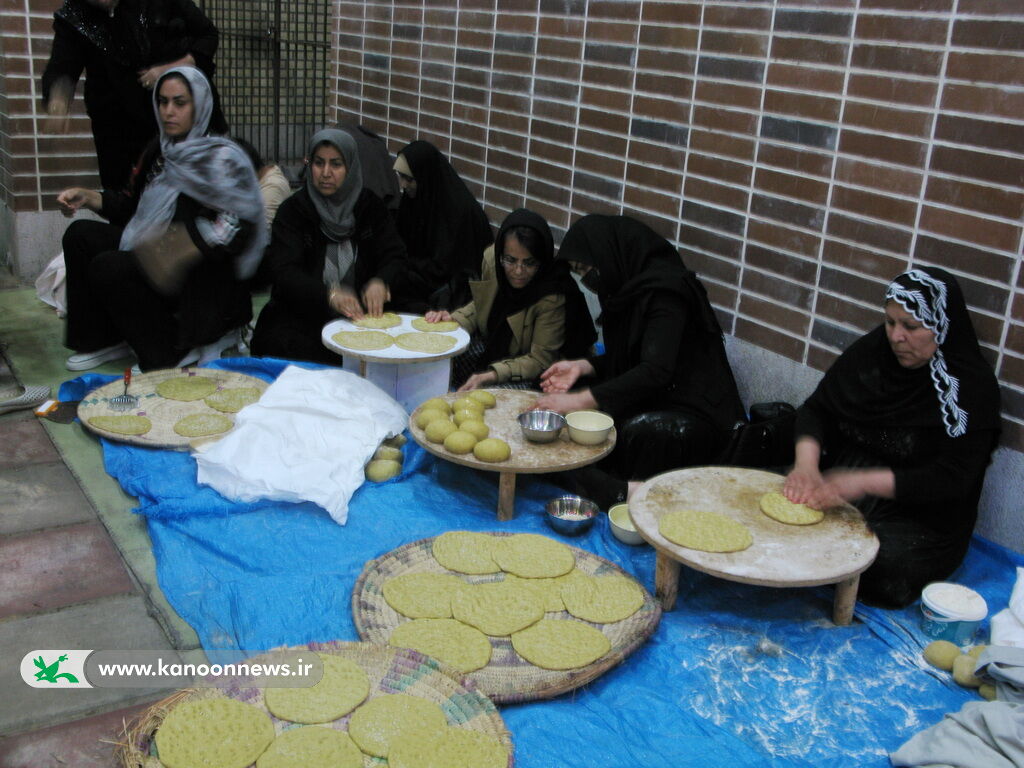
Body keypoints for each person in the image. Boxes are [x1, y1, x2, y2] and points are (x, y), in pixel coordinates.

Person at [783, 267, 1000, 609]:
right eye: (890, 322)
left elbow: (953, 479)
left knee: (884, 569)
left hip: (923, 517)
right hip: (851, 479)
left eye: (911, 327)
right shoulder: (874, 352)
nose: (896, 337)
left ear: (941, 326)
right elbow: (816, 410)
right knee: (782, 508)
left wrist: (863, 482)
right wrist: (806, 466)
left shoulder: (969, 389)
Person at [57, 66, 266, 372]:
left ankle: (168, 354)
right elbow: (132, 205)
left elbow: (240, 227)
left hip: (201, 275)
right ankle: (105, 338)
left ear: (200, 105)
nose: (168, 111)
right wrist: (89, 197)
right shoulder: (160, 149)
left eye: (180, 103)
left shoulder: (222, 158)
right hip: (157, 251)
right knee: (80, 236)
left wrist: (185, 245)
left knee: (110, 266)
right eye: (163, 102)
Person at [535, 214, 746, 483]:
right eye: (580, 273)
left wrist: (580, 400)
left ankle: (618, 490)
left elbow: (655, 371)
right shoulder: (624, 290)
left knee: (637, 431)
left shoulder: (667, 293)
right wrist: (582, 366)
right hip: (652, 394)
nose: (587, 280)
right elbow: (630, 357)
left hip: (691, 412)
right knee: (566, 391)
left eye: (586, 269)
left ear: (610, 255)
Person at [250, 129, 407, 365]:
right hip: (303, 319)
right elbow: (285, 273)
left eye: (336, 164)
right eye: (318, 163)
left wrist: (381, 281)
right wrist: (329, 294)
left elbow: (394, 255)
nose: (326, 173)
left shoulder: (370, 208)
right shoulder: (293, 211)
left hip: (361, 319)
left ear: (350, 167)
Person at [42, 0, 228, 193]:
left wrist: (170, 69)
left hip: (176, 110)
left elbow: (208, 36)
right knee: (124, 194)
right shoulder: (75, 14)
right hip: (117, 124)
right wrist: (58, 101)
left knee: (190, 188)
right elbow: (61, 66)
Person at [422, 209, 596, 391]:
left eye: (529, 263)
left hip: (537, 366)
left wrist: (492, 375)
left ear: (542, 261)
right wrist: (453, 322)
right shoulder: (494, 263)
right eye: (511, 260)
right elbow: (482, 305)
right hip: (498, 346)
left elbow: (540, 360)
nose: (518, 271)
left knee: (500, 395)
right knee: (447, 356)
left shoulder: (552, 294)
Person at [388, 140, 493, 312]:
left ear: (425, 177)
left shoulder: (459, 213)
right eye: (401, 176)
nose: (403, 185)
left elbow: (448, 269)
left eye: (409, 179)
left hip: (449, 296)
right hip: (422, 283)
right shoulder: (416, 199)